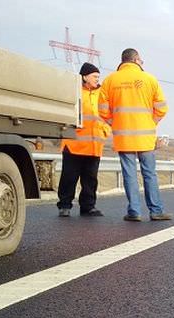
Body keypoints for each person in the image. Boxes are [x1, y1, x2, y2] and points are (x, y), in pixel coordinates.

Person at [98, 48, 172, 221]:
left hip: (123, 136)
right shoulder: (149, 79)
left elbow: (102, 110)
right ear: (137, 60)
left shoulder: (110, 80)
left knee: (129, 174)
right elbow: (162, 108)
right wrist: (151, 122)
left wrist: (114, 123)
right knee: (149, 173)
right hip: (145, 136)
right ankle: (156, 211)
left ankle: (134, 212)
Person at [57, 62, 110, 217]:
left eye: (98, 76)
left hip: (94, 144)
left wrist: (105, 131)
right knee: (69, 177)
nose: (97, 79)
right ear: (84, 76)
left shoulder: (102, 93)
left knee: (90, 179)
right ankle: (64, 206)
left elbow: (108, 115)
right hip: (74, 143)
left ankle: (88, 207)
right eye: (94, 76)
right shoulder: (74, 92)